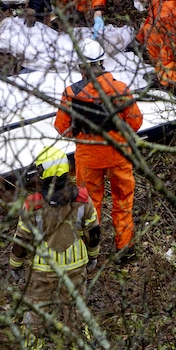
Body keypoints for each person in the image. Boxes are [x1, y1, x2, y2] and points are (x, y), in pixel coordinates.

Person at [53, 47, 143, 261]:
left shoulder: (72, 93)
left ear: (81, 66)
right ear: (102, 62)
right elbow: (136, 122)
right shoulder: (119, 89)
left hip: (88, 159)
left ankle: (88, 251)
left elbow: (62, 128)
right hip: (119, 156)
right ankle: (124, 249)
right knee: (123, 201)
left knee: (89, 204)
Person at [9, 146, 98, 350]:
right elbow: (94, 231)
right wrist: (93, 256)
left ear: (42, 175)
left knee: (38, 306)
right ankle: (80, 345)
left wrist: (15, 264)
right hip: (75, 267)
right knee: (75, 305)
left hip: (43, 270)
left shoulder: (32, 205)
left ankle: (33, 347)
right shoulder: (83, 199)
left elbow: (22, 239)